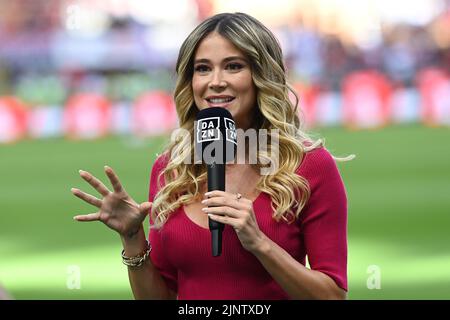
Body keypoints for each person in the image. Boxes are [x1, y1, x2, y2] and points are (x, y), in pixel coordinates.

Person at [71, 12, 350, 300]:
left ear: (261, 74)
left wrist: (259, 243)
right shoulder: (170, 170)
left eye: (233, 66)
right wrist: (132, 237)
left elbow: (332, 296)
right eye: (203, 69)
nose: (215, 82)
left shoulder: (310, 166)